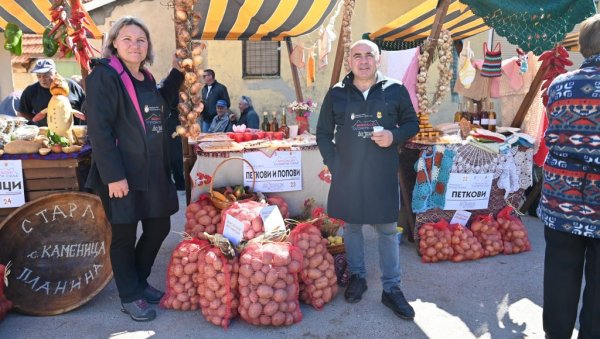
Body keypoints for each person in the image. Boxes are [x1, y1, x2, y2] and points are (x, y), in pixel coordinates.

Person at [85, 16, 183, 322]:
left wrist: (178, 71)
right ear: (114, 43)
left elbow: (163, 103)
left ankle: (138, 281)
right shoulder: (106, 76)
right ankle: (129, 295)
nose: (135, 45)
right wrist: (113, 176)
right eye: (127, 39)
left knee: (159, 227)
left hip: (152, 170)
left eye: (141, 40)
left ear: (148, 46)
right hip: (121, 172)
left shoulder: (147, 78)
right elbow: (99, 130)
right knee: (125, 234)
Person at [316, 39, 419, 320]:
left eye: (369, 55)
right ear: (350, 61)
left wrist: (394, 136)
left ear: (378, 59)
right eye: (357, 56)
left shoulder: (395, 90)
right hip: (348, 175)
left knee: (387, 231)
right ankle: (358, 277)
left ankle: (391, 289)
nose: (363, 61)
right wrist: (335, 164)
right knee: (352, 227)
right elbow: (323, 133)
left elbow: (412, 123)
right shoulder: (337, 93)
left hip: (381, 174)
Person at [538, 14, 600, 339]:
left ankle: (556, 335)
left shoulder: (561, 83)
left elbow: (555, 130)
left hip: (561, 196)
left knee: (560, 272)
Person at [18, 58, 85, 126]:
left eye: (46, 75)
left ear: (55, 73)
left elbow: (85, 106)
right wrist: (34, 122)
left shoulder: (71, 85)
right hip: (45, 134)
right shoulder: (31, 91)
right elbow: (22, 113)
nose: (42, 79)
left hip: (74, 131)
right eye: (39, 76)